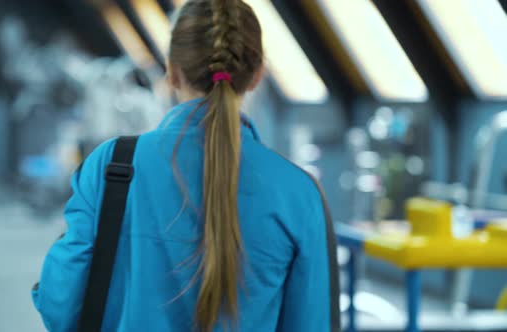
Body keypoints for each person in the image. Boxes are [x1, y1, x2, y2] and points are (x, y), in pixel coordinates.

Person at [32, 0, 339, 331]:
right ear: (257, 76)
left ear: (172, 70)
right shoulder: (299, 194)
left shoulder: (111, 166)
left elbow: (59, 303)